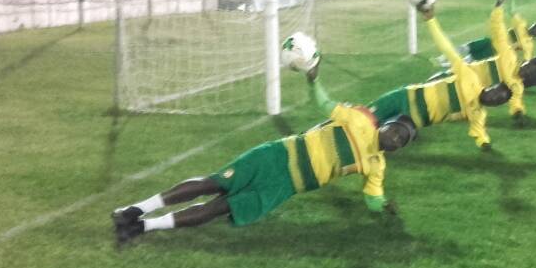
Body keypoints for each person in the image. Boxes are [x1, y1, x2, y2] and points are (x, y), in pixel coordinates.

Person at [111, 69, 415, 247]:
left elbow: (373, 198)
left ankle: (141, 227)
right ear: (386, 125)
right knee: (213, 184)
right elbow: (324, 103)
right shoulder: (360, 120)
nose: (395, 139)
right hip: (278, 155)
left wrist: (384, 207)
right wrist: (313, 78)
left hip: (285, 187)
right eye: (396, 131)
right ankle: (133, 210)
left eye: (401, 141)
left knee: (219, 208)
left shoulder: (377, 166)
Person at [368, 0, 511, 150]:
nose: (494, 98)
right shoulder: (470, 77)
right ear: (492, 86)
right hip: (406, 97)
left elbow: (480, 133)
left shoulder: (477, 113)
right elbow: (447, 48)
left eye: (498, 101)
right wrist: (431, 20)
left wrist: (485, 144)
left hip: (413, 121)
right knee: (367, 116)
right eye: (496, 93)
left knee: (378, 140)